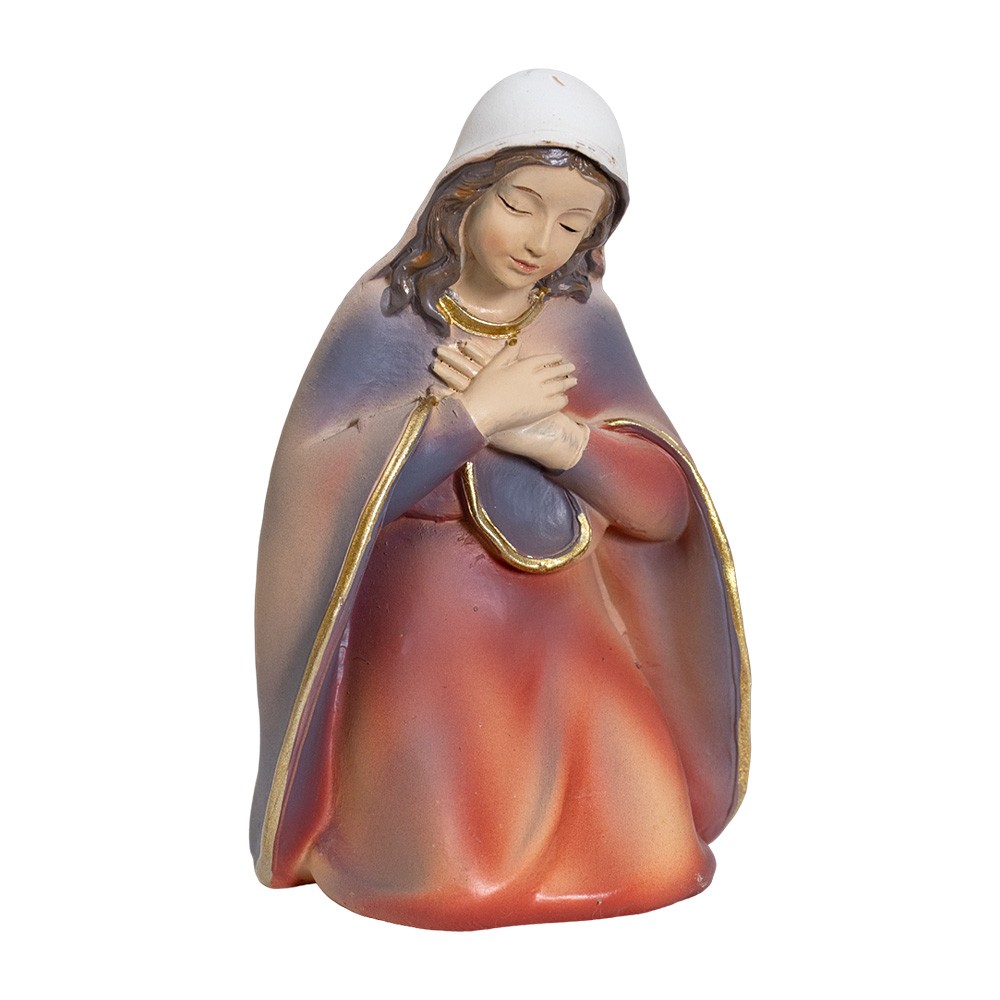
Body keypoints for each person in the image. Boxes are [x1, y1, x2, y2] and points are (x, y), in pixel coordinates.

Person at [251, 69, 750, 930]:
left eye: (574, 222)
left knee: (653, 851)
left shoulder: (581, 323)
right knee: (452, 870)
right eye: (521, 204)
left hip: (567, 625)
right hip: (427, 632)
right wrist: (471, 417)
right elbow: (321, 486)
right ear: (466, 192)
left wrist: (554, 437)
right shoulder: (385, 319)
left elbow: (664, 509)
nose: (541, 240)